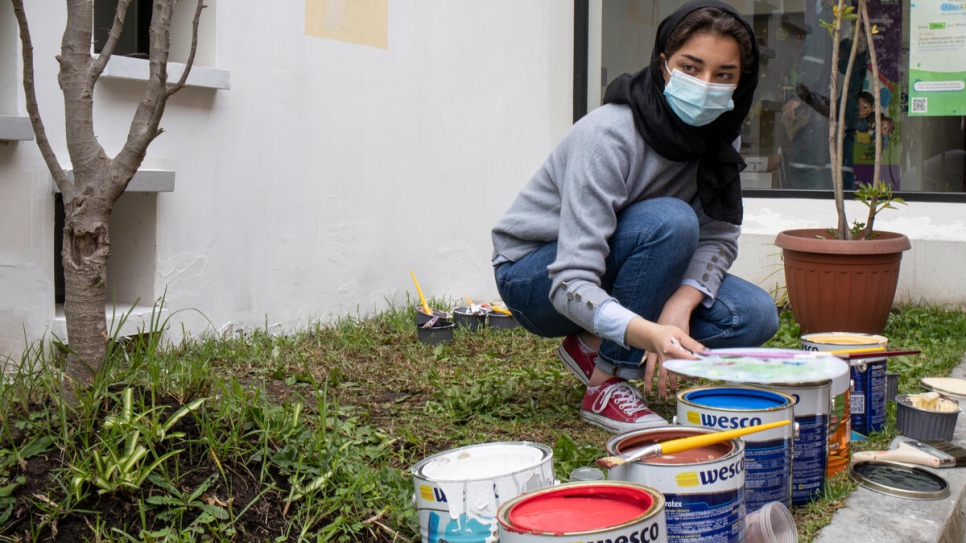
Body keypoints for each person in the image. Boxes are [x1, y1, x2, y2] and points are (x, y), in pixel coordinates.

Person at [490, 0, 779, 434]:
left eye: (724, 75)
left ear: (742, 82)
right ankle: (609, 383)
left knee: (754, 315)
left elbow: (718, 237)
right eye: (691, 67)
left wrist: (677, 312)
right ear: (663, 63)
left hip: (635, 261)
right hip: (538, 278)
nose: (705, 85)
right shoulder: (609, 134)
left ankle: (593, 343)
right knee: (672, 220)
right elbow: (570, 282)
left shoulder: (720, 136)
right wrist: (646, 335)